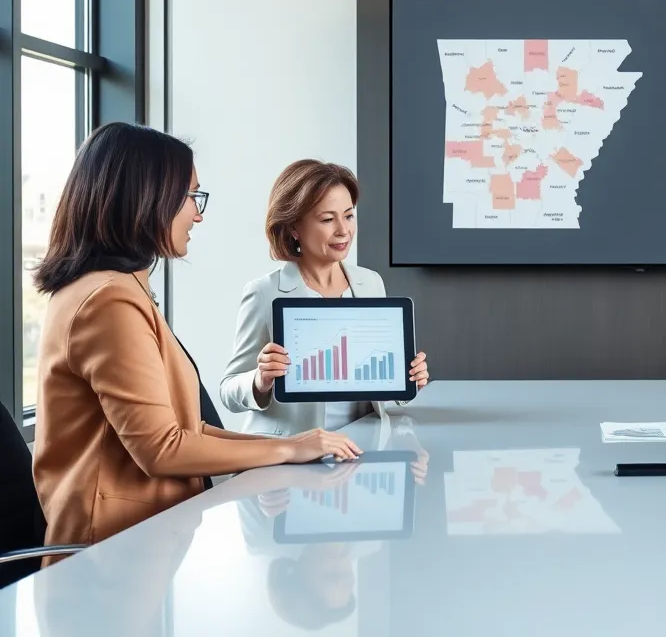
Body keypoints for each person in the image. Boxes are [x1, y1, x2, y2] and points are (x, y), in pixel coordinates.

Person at [31, 123, 362, 549]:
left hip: (144, 539)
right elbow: (162, 449)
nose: (198, 214)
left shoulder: (115, 288)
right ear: (147, 198)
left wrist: (294, 445)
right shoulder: (107, 301)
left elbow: (189, 429)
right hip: (113, 555)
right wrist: (286, 450)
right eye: (191, 197)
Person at [220, 160, 430, 435]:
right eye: (328, 219)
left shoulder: (370, 283)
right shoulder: (264, 292)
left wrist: (409, 378)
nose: (343, 230)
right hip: (292, 453)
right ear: (294, 226)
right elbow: (228, 390)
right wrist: (260, 380)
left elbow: (378, 384)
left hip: (361, 447)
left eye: (349, 215)